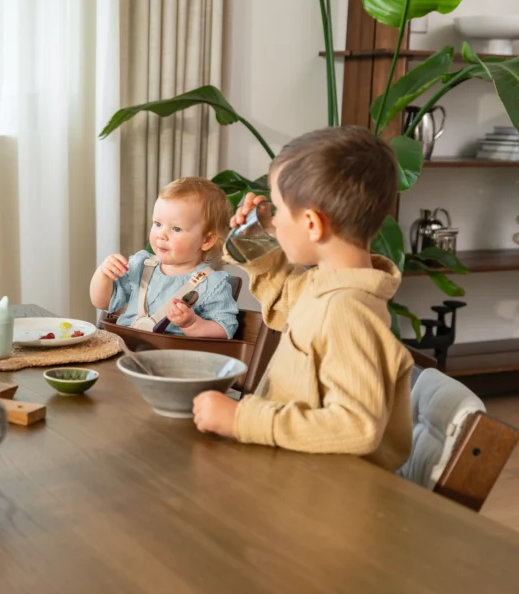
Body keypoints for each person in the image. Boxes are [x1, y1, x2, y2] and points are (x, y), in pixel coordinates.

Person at [192, 127, 413, 471]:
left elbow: (359, 427)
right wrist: (258, 239)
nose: (275, 220)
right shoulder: (325, 285)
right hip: (295, 467)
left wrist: (242, 419)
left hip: (319, 495)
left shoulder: (347, 310)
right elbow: (283, 301)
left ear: (312, 223)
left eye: (278, 210)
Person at [90, 177, 239, 338]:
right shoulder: (140, 265)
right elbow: (103, 303)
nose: (162, 234)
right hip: (123, 351)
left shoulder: (212, 284)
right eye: (158, 224)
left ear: (207, 240)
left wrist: (192, 324)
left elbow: (225, 329)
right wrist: (103, 275)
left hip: (173, 359)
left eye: (176, 228)